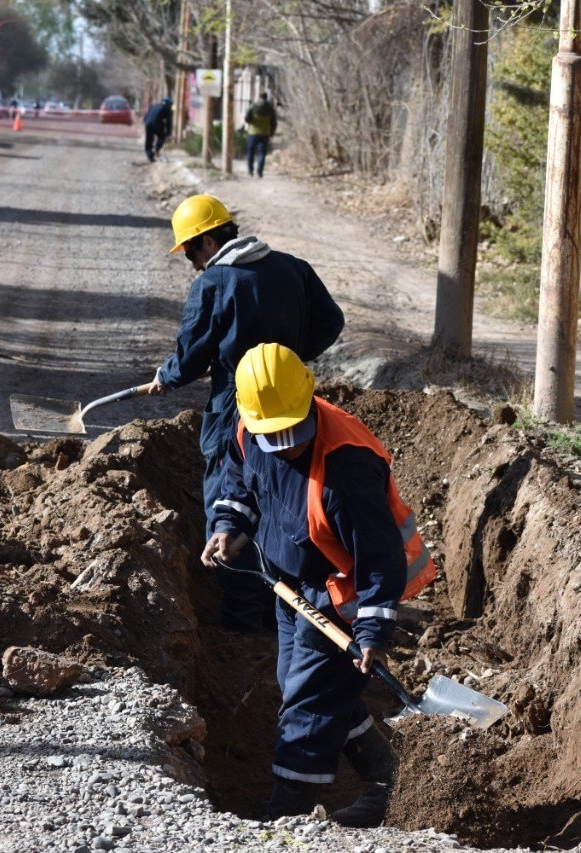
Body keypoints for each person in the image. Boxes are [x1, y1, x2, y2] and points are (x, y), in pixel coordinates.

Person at [201, 342, 437, 827]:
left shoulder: (346, 468)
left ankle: (286, 817)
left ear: (309, 396)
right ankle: (387, 778)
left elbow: (379, 559)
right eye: (273, 433)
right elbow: (241, 479)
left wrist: (372, 632)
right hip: (290, 585)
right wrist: (229, 524)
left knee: (306, 710)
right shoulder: (250, 425)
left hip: (340, 596)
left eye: (292, 429)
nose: (285, 442)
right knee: (303, 688)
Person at [152, 195, 344, 633]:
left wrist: (168, 375)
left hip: (235, 411)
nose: (192, 264)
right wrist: (287, 364)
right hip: (294, 409)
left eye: (189, 252)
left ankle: (241, 618)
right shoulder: (293, 267)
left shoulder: (214, 283)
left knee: (230, 503)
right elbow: (331, 321)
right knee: (284, 497)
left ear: (207, 241)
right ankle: (289, 600)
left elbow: (189, 358)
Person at [243, 92, 278, 178]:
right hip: (265, 133)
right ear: (266, 98)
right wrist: (272, 132)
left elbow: (246, 118)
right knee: (262, 153)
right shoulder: (270, 108)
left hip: (252, 132)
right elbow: (274, 122)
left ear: (259, 97)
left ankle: (250, 171)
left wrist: (252, 121)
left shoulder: (253, 106)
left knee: (250, 152)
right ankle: (259, 172)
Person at [143, 96, 173, 163]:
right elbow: (169, 122)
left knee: (149, 140)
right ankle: (156, 149)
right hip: (157, 124)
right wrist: (168, 132)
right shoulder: (167, 109)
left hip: (148, 123)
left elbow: (145, 117)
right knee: (161, 137)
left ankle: (150, 156)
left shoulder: (154, 106)